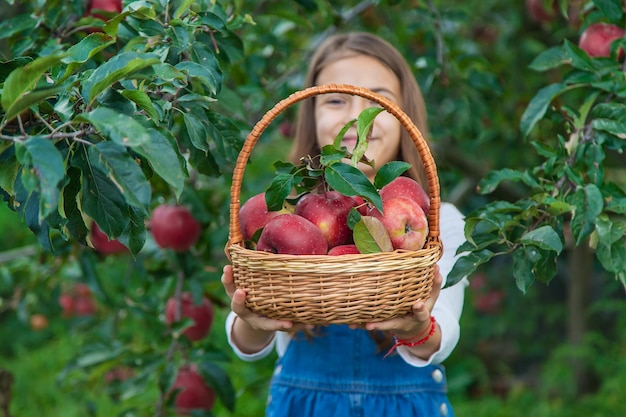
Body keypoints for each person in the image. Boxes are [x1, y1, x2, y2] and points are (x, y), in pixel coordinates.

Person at [221, 31, 469, 417]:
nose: (356, 115)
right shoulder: (285, 216)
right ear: (311, 115)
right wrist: (254, 319)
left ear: (405, 117)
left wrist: (414, 328)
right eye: (336, 100)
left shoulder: (438, 220)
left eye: (377, 100)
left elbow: (442, 335)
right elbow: (245, 342)